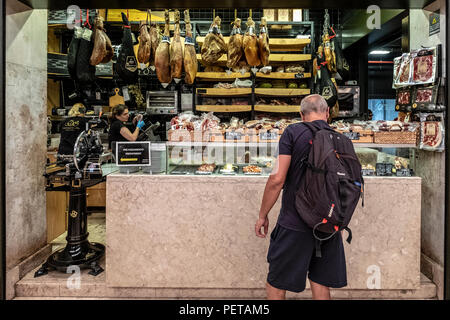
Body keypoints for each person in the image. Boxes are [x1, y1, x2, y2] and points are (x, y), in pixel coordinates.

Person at [255, 94, 347, 300]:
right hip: (329, 223)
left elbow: (277, 179)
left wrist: (263, 214)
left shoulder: (293, 132)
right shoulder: (339, 137)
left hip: (295, 222)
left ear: (301, 115)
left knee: (277, 283)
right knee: (321, 283)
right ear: (327, 113)